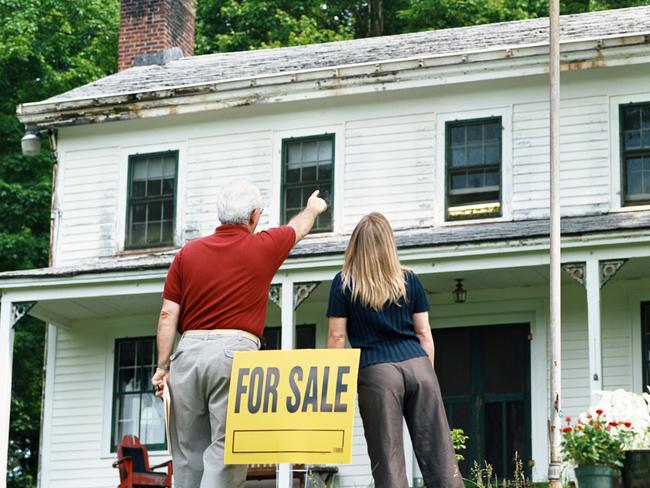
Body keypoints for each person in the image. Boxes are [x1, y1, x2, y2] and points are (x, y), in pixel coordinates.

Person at [151, 179, 327, 488]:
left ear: (220, 216)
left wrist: (163, 366)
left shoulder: (187, 254)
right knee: (229, 446)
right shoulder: (262, 246)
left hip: (187, 351)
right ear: (253, 217)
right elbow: (299, 228)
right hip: (234, 353)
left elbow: (168, 313)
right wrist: (313, 208)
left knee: (187, 450)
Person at [327, 212, 463, 488]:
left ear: (356, 245)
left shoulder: (344, 284)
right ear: (389, 244)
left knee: (388, 457)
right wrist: (428, 376)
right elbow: (424, 333)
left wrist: (335, 385)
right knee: (439, 453)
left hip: (377, 373)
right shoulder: (409, 280)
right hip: (419, 367)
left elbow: (337, 337)